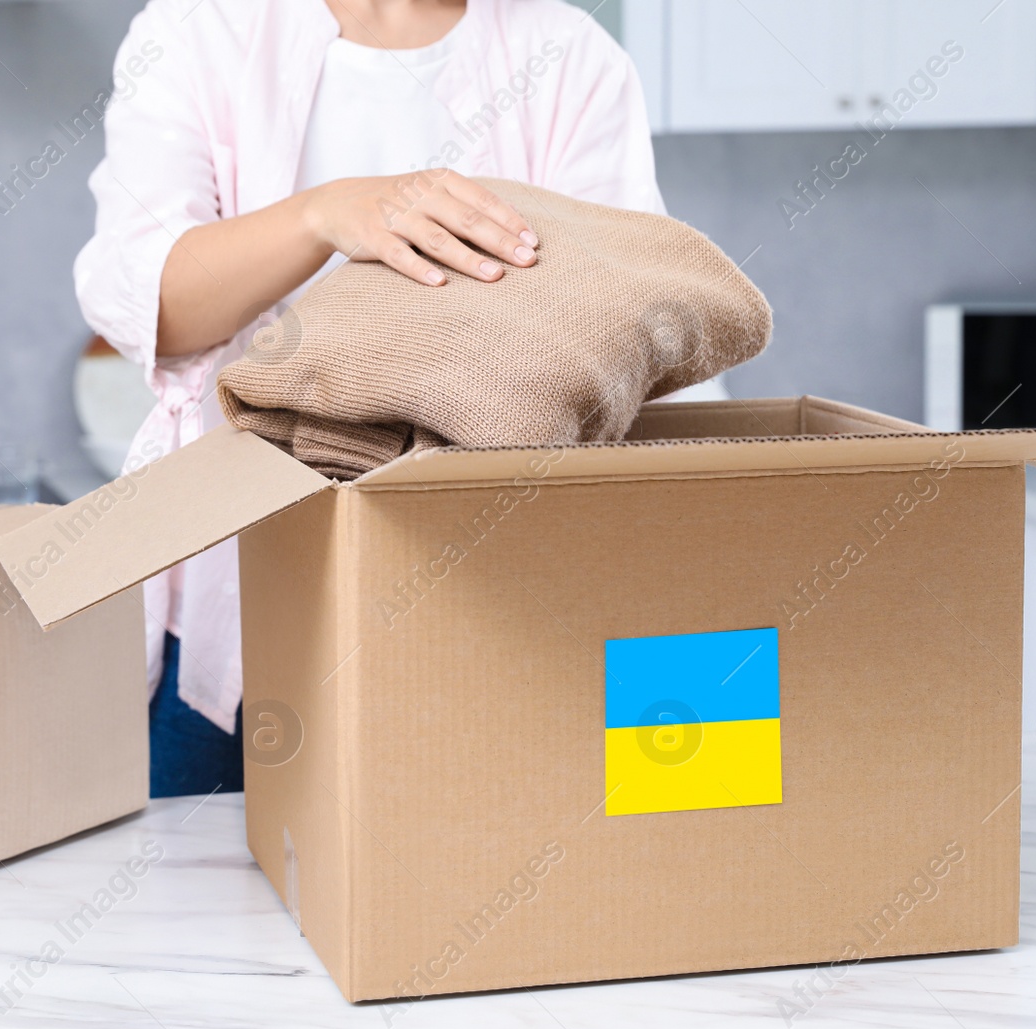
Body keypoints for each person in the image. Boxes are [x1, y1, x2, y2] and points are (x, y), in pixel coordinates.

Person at [75, 0, 664, 797]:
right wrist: (325, 214)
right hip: (234, 594)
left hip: (484, 599)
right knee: (191, 902)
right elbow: (157, 309)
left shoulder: (568, 56)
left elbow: (616, 324)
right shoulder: (198, 29)